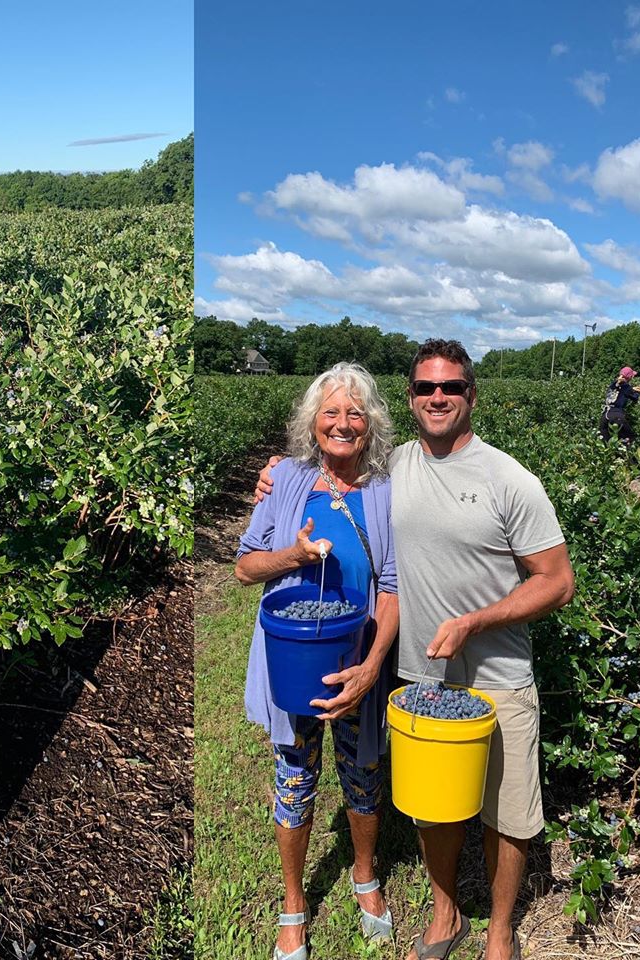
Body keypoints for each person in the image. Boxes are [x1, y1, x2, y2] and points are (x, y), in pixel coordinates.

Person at [256, 340, 575, 960]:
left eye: (450, 387)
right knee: (434, 803)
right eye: (426, 388)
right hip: (421, 673)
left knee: (504, 811)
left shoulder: (510, 479)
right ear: (410, 399)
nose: (437, 398)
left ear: (470, 396)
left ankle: (502, 932)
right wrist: (276, 472)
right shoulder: (393, 466)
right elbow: (329, 464)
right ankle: (446, 910)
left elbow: (557, 582)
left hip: (498, 671)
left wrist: (475, 622)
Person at [236, 362, 400, 960]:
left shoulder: (384, 491)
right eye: (330, 412)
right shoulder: (286, 482)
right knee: (294, 776)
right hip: (293, 661)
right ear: (313, 421)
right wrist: (295, 554)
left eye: (355, 413)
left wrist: (372, 665)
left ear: (371, 425)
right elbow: (245, 565)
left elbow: (391, 584)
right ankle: (294, 905)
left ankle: (364, 877)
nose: (342, 423)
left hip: (358, 662)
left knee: (363, 776)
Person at [599, 365, 640, 444]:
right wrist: (637, 392)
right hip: (616, 416)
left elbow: (619, 390)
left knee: (606, 443)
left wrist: (631, 389)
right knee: (629, 438)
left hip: (605, 416)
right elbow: (634, 398)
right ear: (630, 377)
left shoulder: (612, 385)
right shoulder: (626, 387)